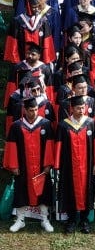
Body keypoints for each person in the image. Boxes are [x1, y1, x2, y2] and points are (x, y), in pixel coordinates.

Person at [55, 94, 95, 234]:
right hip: (69, 167)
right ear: (72, 109)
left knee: (87, 191)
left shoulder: (90, 123)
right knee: (70, 191)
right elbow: (58, 146)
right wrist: (57, 165)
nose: (81, 110)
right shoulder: (64, 125)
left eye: (83, 107)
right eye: (78, 108)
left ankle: (84, 221)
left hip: (87, 166)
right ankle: (71, 221)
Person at [4, 96, 55, 233]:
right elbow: (11, 147)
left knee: (44, 192)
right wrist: (13, 166)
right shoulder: (16, 126)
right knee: (21, 192)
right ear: (24, 110)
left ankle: (45, 219)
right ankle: (20, 220)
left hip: (41, 167)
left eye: (36, 109)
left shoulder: (45, 124)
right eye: (31, 110)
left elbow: (50, 145)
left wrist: (48, 164)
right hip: (23, 167)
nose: (34, 112)